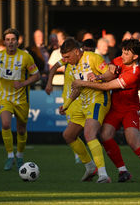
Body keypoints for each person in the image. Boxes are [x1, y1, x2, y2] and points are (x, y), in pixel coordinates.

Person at [72, 39, 140, 183]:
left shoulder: (134, 73)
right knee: (105, 135)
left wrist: (84, 83)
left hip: (130, 110)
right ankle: (123, 171)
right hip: (115, 108)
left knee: (133, 141)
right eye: (123, 51)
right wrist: (99, 76)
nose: (123, 55)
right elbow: (110, 74)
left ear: (135, 57)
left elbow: (108, 86)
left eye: (127, 53)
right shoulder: (119, 60)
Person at [45, 38, 115, 183]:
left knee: (89, 133)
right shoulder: (72, 65)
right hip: (82, 103)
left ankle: (103, 175)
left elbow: (111, 74)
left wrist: (98, 77)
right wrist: (67, 104)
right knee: (68, 135)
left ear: (77, 52)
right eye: (63, 57)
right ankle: (90, 167)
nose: (64, 60)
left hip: (98, 100)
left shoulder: (93, 58)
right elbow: (78, 88)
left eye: (67, 56)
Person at [0, 28, 40, 171]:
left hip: (21, 99)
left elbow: (36, 75)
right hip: (4, 97)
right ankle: (10, 156)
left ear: (17, 41)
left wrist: (23, 83)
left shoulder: (26, 57)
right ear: (4, 42)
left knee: (21, 130)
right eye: (8, 40)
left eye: (13, 40)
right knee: (5, 124)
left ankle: (20, 155)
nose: (10, 42)